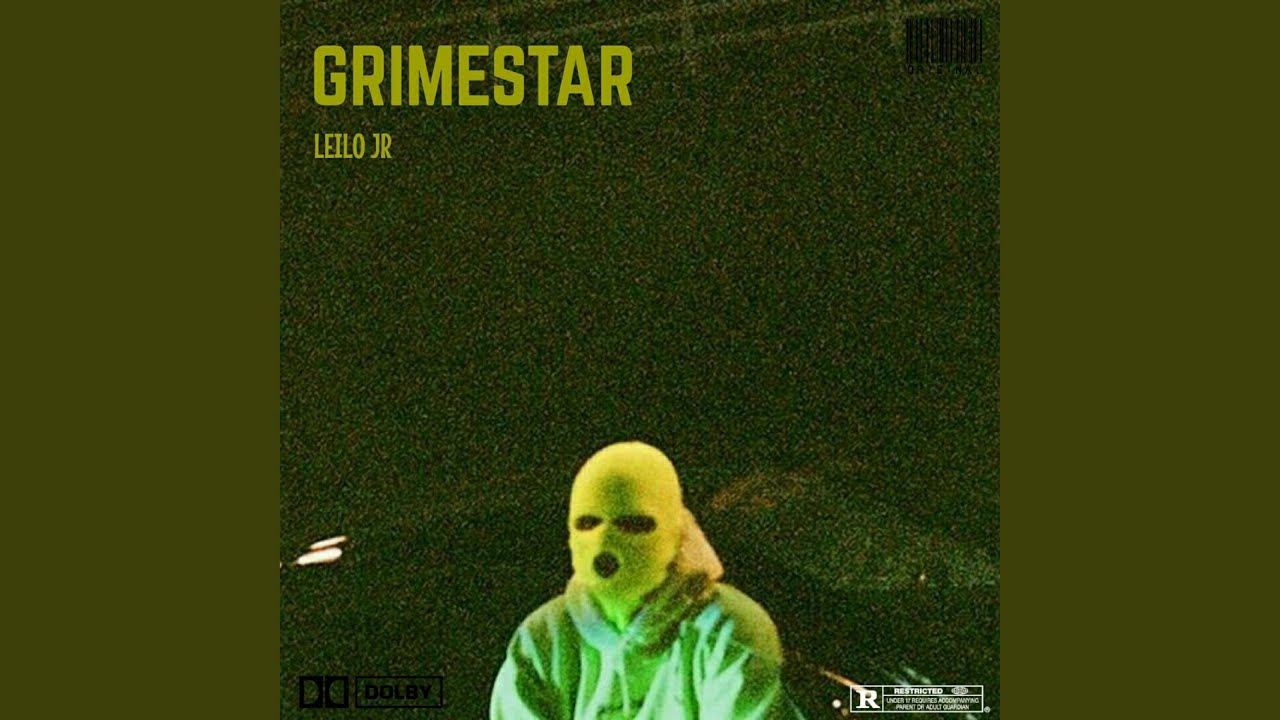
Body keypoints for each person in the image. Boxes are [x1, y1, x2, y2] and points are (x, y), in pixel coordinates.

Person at [490, 441, 805, 719]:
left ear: (676, 531)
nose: (604, 542)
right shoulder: (541, 640)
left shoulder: (730, 630)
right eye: (588, 523)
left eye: (633, 524)